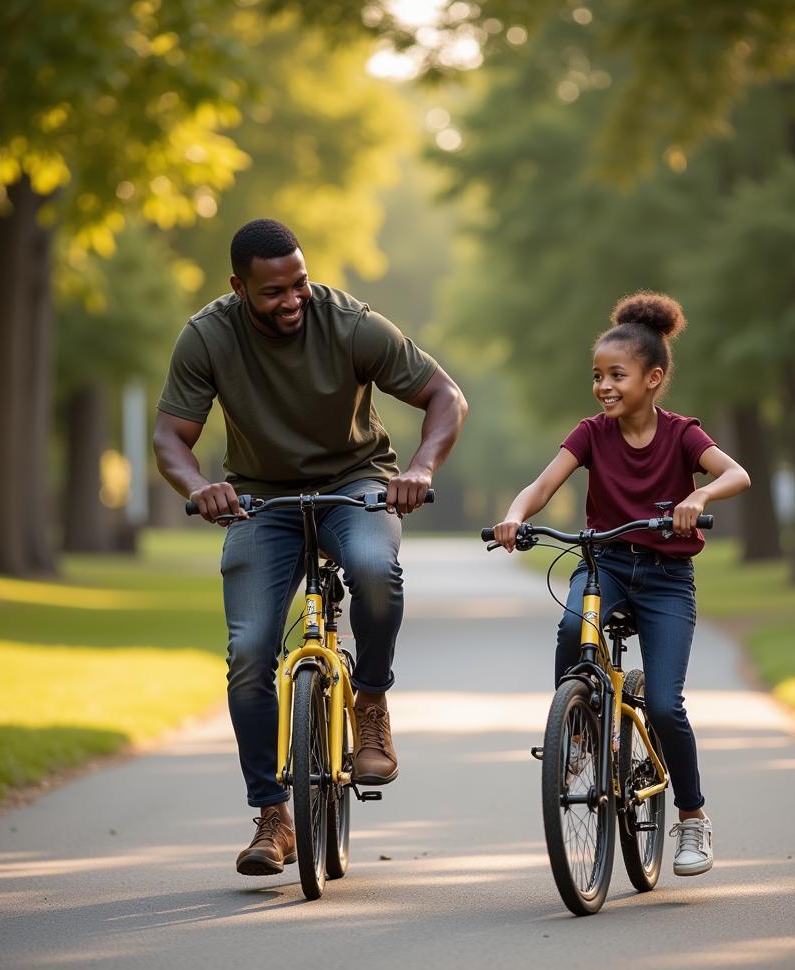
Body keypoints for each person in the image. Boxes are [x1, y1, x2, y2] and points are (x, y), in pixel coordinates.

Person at [154, 218, 468, 876]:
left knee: (375, 569)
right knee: (248, 651)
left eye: (299, 282)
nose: (293, 299)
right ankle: (273, 816)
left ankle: (372, 700)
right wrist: (201, 486)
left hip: (356, 484)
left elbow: (445, 395)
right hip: (258, 497)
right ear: (239, 287)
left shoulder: (349, 323)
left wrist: (420, 470)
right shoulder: (208, 335)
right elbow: (169, 438)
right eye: (273, 292)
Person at [491, 291, 749, 877]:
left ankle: (691, 817)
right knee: (569, 628)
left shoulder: (683, 434)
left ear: (653, 378)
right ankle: (578, 730)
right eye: (597, 376)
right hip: (603, 565)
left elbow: (737, 473)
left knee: (663, 703)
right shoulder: (590, 434)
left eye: (616, 375)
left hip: (664, 579)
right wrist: (515, 513)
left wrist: (698, 493)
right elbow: (542, 485)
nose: (603, 386)